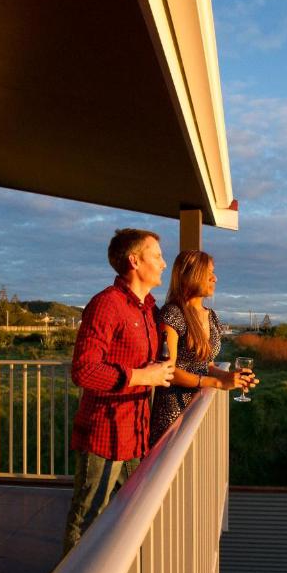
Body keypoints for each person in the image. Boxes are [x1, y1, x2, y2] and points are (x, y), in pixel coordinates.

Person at [62, 229, 175, 554]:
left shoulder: (147, 309)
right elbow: (83, 370)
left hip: (135, 434)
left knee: (136, 513)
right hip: (104, 435)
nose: (163, 264)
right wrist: (143, 376)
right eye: (157, 256)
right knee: (87, 518)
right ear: (134, 260)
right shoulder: (106, 305)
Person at [150, 250, 257, 446]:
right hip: (174, 410)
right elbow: (168, 371)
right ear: (191, 274)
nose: (214, 278)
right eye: (208, 272)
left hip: (197, 406)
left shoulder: (211, 315)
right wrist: (216, 383)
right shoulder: (173, 314)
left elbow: (206, 364)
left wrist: (228, 377)